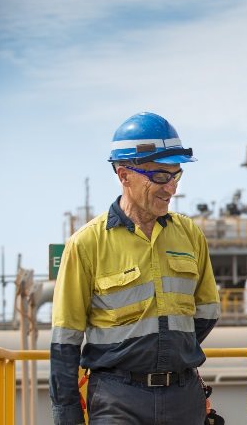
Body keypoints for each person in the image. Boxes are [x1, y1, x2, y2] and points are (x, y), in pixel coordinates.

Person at [50, 112, 221, 424]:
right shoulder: (86, 244)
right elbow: (65, 340)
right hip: (118, 398)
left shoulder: (190, 235)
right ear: (123, 174)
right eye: (158, 176)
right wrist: (67, 414)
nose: (170, 188)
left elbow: (207, 313)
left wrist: (169, 352)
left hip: (183, 396)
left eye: (175, 175)